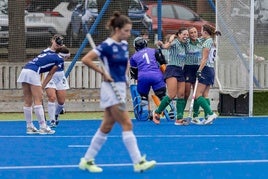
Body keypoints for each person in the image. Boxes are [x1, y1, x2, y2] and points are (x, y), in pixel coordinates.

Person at [78, 11, 156, 173]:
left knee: (106, 126)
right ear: (117, 29)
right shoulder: (106, 45)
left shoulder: (123, 45)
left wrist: (126, 78)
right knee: (127, 123)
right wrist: (103, 73)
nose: (128, 34)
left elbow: (125, 62)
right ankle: (138, 161)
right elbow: (86, 59)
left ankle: (86, 160)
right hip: (110, 89)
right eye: (126, 31)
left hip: (120, 86)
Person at [17, 46, 69, 135]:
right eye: (67, 57)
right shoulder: (59, 59)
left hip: (25, 70)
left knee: (27, 101)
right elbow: (50, 74)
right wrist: (42, 87)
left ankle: (29, 126)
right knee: (38, 100)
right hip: (33, 72)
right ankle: (43, 127)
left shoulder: (48, 54)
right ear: (64, 56)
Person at [153, 27, 189, 125]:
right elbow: (166, 46)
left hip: (180, 70)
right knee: (172, 95)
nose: (186, 36)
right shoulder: (175, 42)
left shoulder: (185, 45)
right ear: (179, 35)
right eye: (184, 34)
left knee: (181, 95)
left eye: (187, 35)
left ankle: (179, 118)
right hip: (172, 69)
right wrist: (163, 43)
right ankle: (157, 112)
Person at [129, 37, 167, 120]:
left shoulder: (133, 57)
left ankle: (145, 113)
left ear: (135, 47)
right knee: (162, 96)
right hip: (156, 76)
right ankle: (169, 112)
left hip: (143, 77)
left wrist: (136, 78)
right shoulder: (154, 51)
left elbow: (133, 72)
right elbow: (163, 62)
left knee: (143, 96)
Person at [41, 34, 70, 127]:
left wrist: (63, 50)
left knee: (61, 102)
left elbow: (67, 56)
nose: (58, 43)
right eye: (56, 41)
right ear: (52, 41)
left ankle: (56, 114)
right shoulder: (45, 52)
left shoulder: (62, 50)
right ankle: (52, 120)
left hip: (60, 76)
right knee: (52, 97)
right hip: (49, 76)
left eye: (60, 41)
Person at [194, 24, 221, 125]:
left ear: (205, 32)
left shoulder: (207, 43)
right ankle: (207, 117)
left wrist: (199, 70)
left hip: (205, 69)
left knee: (197, 95)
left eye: (201, 30)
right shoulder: (212, 42)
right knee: (205, 94)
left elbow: (204, 59)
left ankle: (210, 113)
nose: (200, 32)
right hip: (211, 70)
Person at [184, 27, 205, 125]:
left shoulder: (201, 41)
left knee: (196, 94)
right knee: (186, 93)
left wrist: (215, 33)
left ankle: (195, 116)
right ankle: (180, 115)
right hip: (188, 68)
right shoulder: (186, 42)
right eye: (191, 33)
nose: (193, 34)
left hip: (197, 68)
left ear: (197, 33)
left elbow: (209, 37)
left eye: (195, 32)